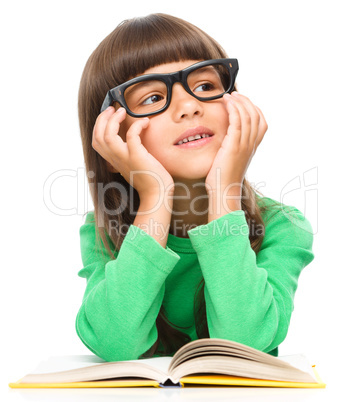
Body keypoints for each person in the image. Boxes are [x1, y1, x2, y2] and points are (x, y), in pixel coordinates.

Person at [76, 13, 314, 362]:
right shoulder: (106, 231)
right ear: (112, 139)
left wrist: (224, 191)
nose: (189, 106)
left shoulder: (283, 226)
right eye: (153, 98)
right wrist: (156, 195)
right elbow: (115, 345)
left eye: (204, 86)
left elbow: (246, 347)